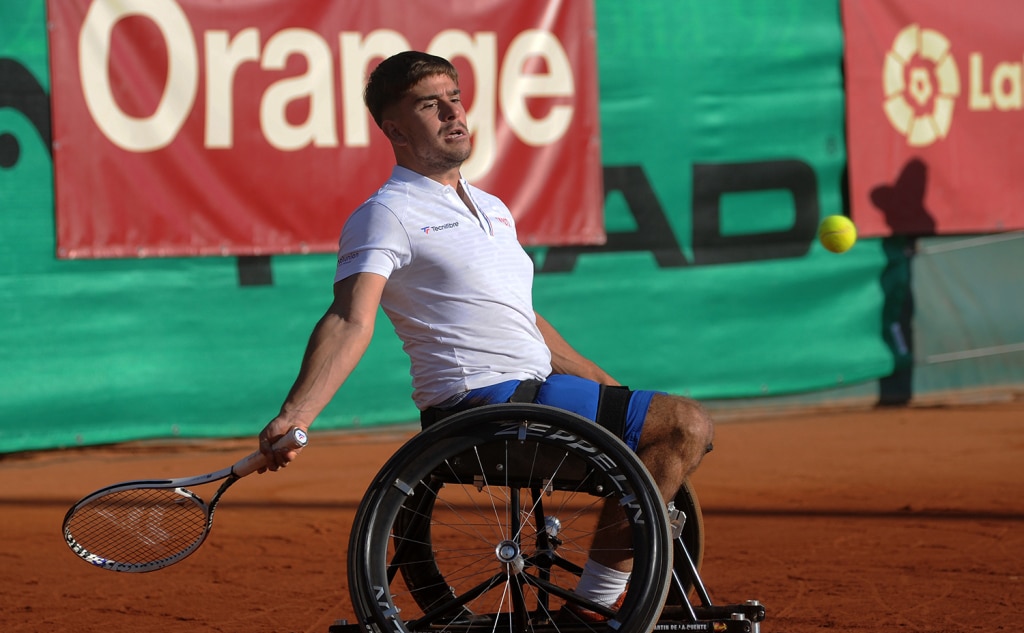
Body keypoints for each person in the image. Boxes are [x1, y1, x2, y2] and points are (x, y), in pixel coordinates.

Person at [258, 50, 714, 618]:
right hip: (479, 406)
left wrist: (609, 389)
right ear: (395, 129)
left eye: (455, 98)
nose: (454, 113)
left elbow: (527, 324)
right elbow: (350, 318)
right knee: (685, 423)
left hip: (536, 394)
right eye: (431, 105)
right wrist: (295, 415)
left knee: (671, 429)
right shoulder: (386, 213)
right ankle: (592, 610)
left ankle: (606, 601)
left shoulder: (493, 208)